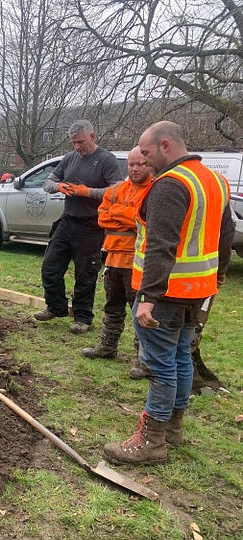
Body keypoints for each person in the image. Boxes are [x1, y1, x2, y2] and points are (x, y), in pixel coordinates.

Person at [103, 121, 234, 465]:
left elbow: (161, 245)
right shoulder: (214, 180)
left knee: (160, 365)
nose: (143, 163)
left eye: (145, 154)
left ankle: (152, 440)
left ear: (165, 146)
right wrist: (218, 275)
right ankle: (174, 428)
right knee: (180, 358)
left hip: (167, 294)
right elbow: (226, 233)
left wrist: (148, 297)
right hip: (198, 290)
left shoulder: (170, 185)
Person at [34, 120, 124, 333]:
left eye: (81, 142)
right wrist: (58, 186)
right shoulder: (69, 158)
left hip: (91, 224)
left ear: (92, 137)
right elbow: (47, 182)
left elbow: (118, 191)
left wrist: (87, 192)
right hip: (67, 221)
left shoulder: (106, 160)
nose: (77, 147)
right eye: (73, 142)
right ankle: (56, 307)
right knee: (50, 266)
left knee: (85, 273)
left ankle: (83, 318)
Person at [81, 146, 153, 360]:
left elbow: (139, 220)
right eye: (131, 164)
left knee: (139, 311)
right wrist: (128, 216)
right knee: (112, 306)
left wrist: (118, 212)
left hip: (137, 262)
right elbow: (102, 217)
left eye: (141, 164)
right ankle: (108, 346)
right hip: (113, 258)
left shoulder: (153, 191)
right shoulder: (116, 190)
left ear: (149, 164)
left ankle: (143, 357)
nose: (135, 168)